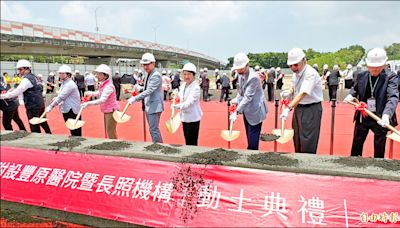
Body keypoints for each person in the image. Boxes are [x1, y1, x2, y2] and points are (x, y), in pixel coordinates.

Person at [344, 48, 398, 158]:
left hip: (380, 116)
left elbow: (392, 97)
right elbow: (356, 89)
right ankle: (353, 163)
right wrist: (351, 95)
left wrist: (387, 114)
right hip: (364, 115)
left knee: (379, 144)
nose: (373, 71)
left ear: (384, 65)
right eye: (371, 68)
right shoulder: (361, 75)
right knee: (357, 141)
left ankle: (377, 166)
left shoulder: (391, 77)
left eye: (377, 69)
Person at [280, 48, 323, 154]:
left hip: (310, 108)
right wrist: (289, 92)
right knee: (298, 137)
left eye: (295, 64)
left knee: (308, 140)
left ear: (304, 60)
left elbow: (303, 93)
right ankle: (299, 161)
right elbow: (295, 88)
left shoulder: (310, 73)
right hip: (299, 107)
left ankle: (307, 164)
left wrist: (289, 107)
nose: (293, 68)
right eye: (290, 66)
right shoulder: (296, 73)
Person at [0, 59, 51, 134]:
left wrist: (1, 96)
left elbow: (16, 92)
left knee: (34, 125)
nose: (19, 71)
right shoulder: (34, 77)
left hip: (33, 105)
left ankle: (37, 141)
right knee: (43, 122)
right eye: (18, 69)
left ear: (27, 68)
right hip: (40, 104)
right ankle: (49, 135)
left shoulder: (27, 79)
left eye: (20, 69)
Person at [230, 53, 268, 150]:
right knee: (249, 136)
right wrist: (236, 99)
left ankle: (253, 158)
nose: (239, 70)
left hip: (256, 111)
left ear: (247, 65)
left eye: (241, 68)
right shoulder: (239, 74)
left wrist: (236, 111)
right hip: (247, 110)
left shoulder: (253, 77)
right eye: (237, 68)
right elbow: (241, 92)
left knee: (253, 139)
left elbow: (247, 97)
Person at [128, 53, 164, 143]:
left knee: (153, 130)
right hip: (149, 105)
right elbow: (147, 88)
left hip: (154, 106)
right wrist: (140, 88)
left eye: (147, 64)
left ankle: (159, 147)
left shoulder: (155, 75)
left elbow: (149, 90)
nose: (145, 67)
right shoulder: (149, 74)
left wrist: (135, 98)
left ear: (153, 63)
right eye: (144, 65)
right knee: (152, 129)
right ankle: (157, 146)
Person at [81, 64, 119, 139]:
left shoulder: (108, 86)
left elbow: (102, 99)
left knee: (110, 131)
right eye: (97, 74)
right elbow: (99, 93)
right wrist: (91, 93)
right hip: (108, 110)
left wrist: (88, 103)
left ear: (106, 75)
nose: (97, 76)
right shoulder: (104, 84)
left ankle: (115, 146)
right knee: (109, 130)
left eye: (99, 74)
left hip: (111, 111)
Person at [171, 63, 203, 145]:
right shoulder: (183, 85)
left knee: (192, 142)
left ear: (194, 75)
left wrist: (176, 106)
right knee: (187, 140)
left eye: (189, 74)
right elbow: (181, 96)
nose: (186, 76)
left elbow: (189, 103)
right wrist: (175, 94)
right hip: (184, 117)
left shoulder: (196, 87)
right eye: (184, 74)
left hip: (193, 118)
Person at [46, 65, 82, 136]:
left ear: (68, 74)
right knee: (72, 129)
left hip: (72, 110)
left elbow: (61, 97)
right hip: (67, 108)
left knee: (75, 130)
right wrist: (56, 98)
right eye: (60, 73)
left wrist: (51, 106)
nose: (61, 75)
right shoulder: (64, 83)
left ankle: (77, 144)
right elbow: (61, 95)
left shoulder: (69, 84)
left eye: (63, 73)